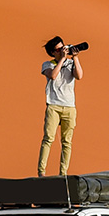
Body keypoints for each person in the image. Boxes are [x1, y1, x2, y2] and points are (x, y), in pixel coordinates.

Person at [38, 36, 83, 176]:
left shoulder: (71, 63)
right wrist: (62, 59)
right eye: (59, 49)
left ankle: (63, 173)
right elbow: (52, 76)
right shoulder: (48, 64)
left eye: (63, 47)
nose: (63, 50)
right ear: (53, 52)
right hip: (54, 105)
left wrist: (75, 58)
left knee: (67, 142)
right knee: (48, 138)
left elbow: (79, 76)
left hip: (69, 107)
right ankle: (41, 172)